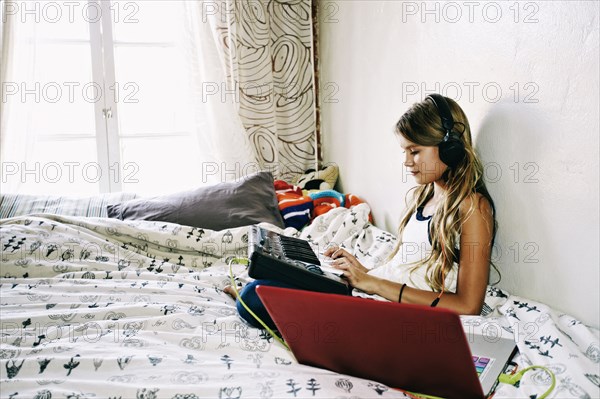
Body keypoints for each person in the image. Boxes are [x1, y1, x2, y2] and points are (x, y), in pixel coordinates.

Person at [225, 94, 497, 328]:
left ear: (450, 149)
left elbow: (468, 305)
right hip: (380, 297)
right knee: (274, 272)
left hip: (396, 313)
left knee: (253, 296)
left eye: (414, 151)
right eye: (404, 151)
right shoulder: (425, 195)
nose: (407, 162)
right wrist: (363, 272)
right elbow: (406, 272)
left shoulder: (472, 207)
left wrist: (372, 284)